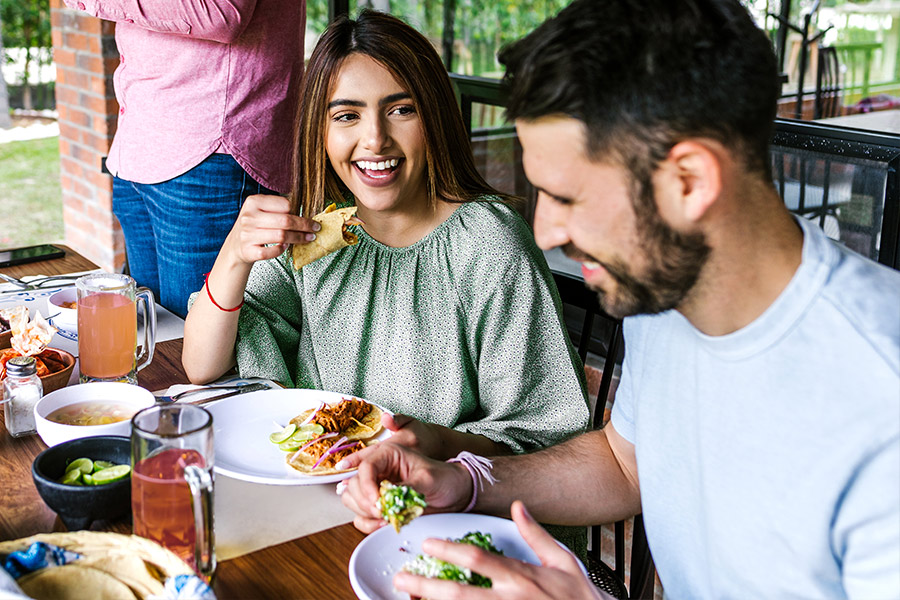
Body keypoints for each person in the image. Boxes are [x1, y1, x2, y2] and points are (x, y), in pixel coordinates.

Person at [338, 1, 900, 598]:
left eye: (567, 197)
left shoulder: (879, 400)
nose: (546, 232)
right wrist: (466, 481)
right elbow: (624, 464)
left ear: (690, 181)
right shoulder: (666, 294)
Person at [182, 11, 589, 467]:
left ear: (434, 116)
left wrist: (435, 447)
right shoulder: (318, 234)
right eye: (347, 115)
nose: (374, 139)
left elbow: (543, 438)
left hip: (437, 507)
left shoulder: (488, 245)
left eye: (401, 110)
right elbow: (201, 366)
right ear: (321, 130)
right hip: (319, 491)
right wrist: (234, 257)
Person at [63, 0, 305, 318]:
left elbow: (221, 13)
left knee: (201, 351)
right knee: (152, 339)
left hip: (209, 155)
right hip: (139, 147)